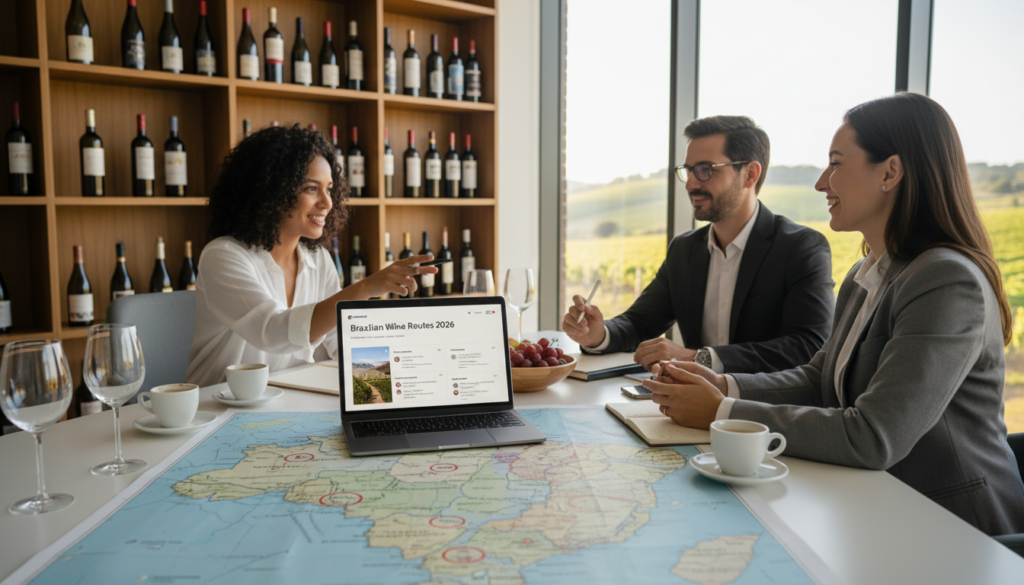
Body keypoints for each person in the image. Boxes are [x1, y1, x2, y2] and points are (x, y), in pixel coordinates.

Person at [645, 94, 1024, 536]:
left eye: (836, 163)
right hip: (877, 507)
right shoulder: (867, 274)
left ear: (891, 172)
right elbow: (819, 380)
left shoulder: (945, 281)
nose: (821, 183)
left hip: (956, 531)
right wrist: (721, 383)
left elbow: (874, 436)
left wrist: (723, 411)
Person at [563, 116, 835, 375]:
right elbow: (640, 322)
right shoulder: (684, 250)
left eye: (706, 170)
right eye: (689, 170)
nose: (691, 183)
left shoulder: (801, 248)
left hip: (760, 414)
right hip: (685, 406)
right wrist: (598, 334)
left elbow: (808, 347)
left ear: (750, 174)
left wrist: (699, 358)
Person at [185, 125, 436, 388]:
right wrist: (366, 287)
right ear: (271, 190)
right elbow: (273, 331)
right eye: (311, 188)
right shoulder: (223, 256)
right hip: (214, 409)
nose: (327, 203)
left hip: (285, 404)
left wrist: (387, 388)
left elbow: (340, 336)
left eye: (329, 189)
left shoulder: (317, 258)